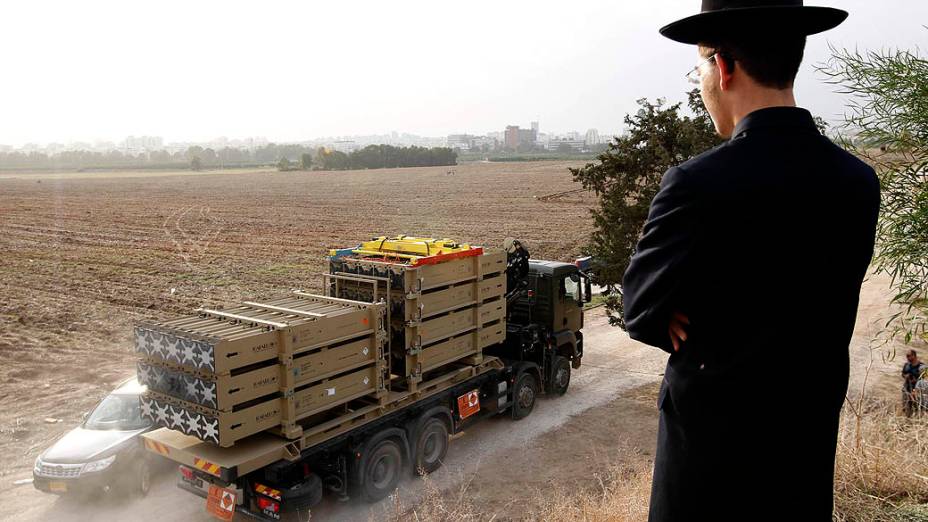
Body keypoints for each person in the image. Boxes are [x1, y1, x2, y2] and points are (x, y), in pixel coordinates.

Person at [621, 1, 880, 521]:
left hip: (707, 467)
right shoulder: (857, 181)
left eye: (697, 67)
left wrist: (670, 313)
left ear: (722, 65)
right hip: (802, 452)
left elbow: (639, 305)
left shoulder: (695, 183)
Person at [902, 349, 926, 416]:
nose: (907, 358)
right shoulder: (906, 365)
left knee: (917, 407)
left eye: (908, 356)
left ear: (914, 356)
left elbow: (924, 380)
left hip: (917, 390)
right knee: (906, 407)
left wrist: (916, 382)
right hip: (907, 389)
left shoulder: (922, 366)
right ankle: (907, 420)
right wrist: (905, 376)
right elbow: (903, 374)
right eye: (907, 356)